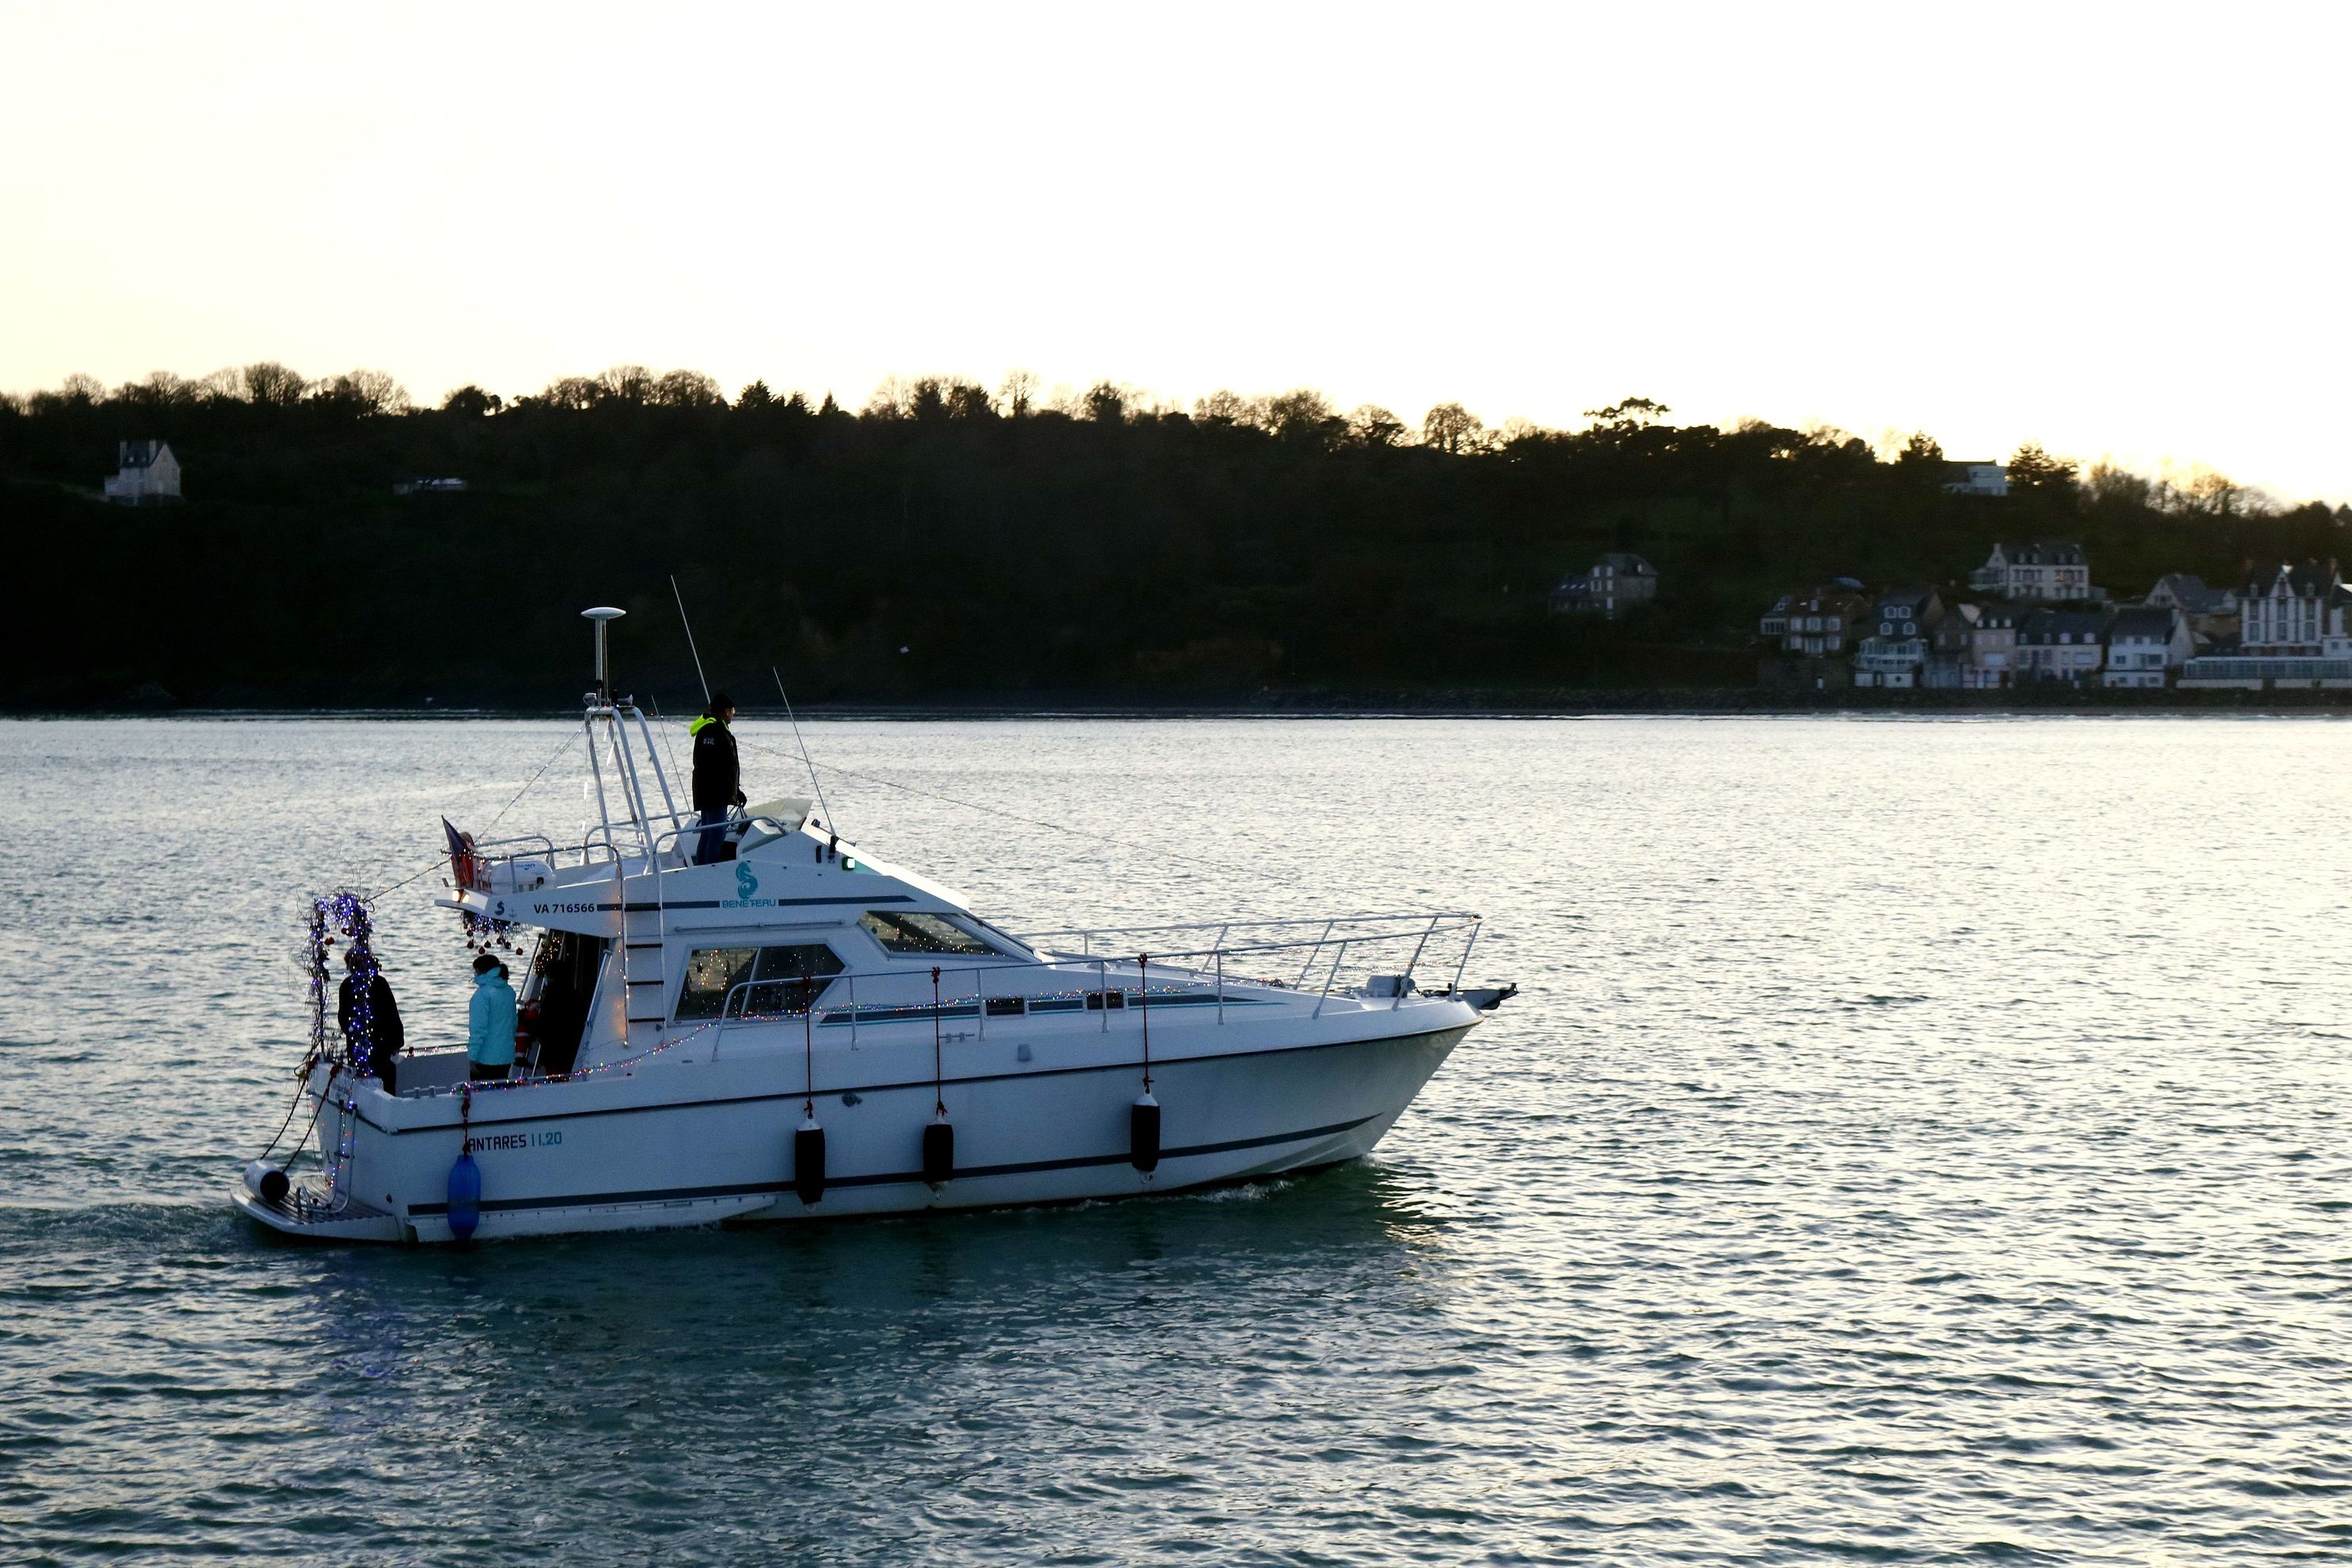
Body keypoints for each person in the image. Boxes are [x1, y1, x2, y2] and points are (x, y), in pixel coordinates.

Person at [338, 947, 407, 1094]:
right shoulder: (379, 983)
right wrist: (397, 1042)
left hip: (359, 1051)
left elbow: (344, 1021)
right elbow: (393, 1016)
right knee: (387, 1084)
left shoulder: (347, 986)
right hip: (382, 1050)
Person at [688, 691, 744, 865]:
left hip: (706, 793)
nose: (733, 714)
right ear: (726, 711)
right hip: (716, 796)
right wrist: (732, 792)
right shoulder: (718, 733)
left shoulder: (705, 732)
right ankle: (708, 871)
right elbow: (724, 768)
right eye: (732, 711)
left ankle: (701, 868)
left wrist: (736, 792)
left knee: (707, 833)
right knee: (717, 835)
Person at [466, 952, 518, 1082]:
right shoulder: (509, 991)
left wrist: (472, 1056)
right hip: (506, 1056)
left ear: (481, 971)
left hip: (485, 1058)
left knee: (482, 1098)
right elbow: (513, 1023)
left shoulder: (482, 995)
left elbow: (478, 1029)